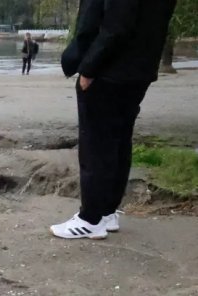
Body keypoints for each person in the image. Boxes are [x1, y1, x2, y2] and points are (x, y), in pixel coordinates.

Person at [51, 0, 177, 239]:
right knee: (118, 140)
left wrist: (88, 69)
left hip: (110, 71)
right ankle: (107, 212)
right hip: (139, 69)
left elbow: (117, 26)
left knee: (96, 144)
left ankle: (90, 218)